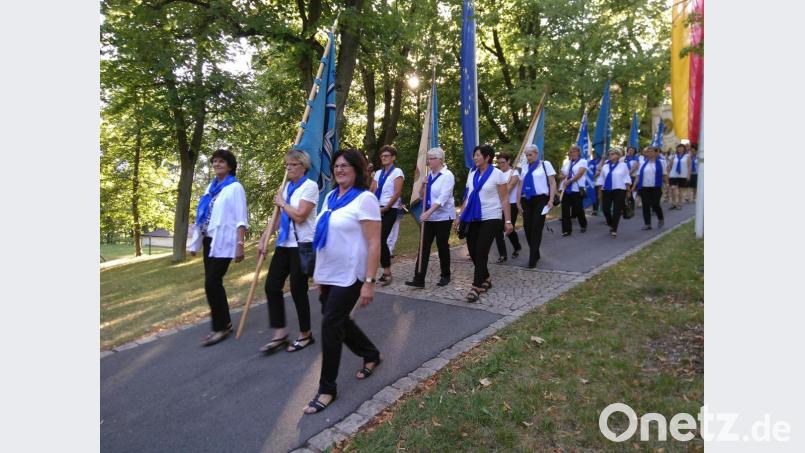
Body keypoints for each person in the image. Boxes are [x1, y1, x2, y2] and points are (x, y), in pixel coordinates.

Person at [304, 148, 382, 415]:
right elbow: (324, 238)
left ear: (357, 169)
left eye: (345, 165)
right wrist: (319, 274)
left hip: (351, 274)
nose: (339, 169)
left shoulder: (365, 199)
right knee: (339, 321)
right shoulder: (329, 199)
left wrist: (369, 281)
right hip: (329, 272)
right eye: (336, 165)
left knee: (330, 324)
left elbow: (374, 243)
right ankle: (371, 354)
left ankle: (327, 389)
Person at [257, 150, 318, 354]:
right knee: (272, 286)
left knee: (297, 290)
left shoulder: (310, 186)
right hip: (284, 244)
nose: (288, 168)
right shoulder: (284, 187)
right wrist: (265, 238)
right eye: (287, 165)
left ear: (303, 166)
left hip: (302, 245)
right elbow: (276, 218)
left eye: (292, 165)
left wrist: (282, 203)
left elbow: (300, 216)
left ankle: (305, 334)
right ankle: (280, 333)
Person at [188, 149, 248, 347]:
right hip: (209, 241)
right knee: (213, 283)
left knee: (212, 283)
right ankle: (224, 323)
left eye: (221, 161)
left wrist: (240, 245)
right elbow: (203, 215)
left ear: (230, 165)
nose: (217, 164)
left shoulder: (234, 187)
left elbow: (241, 218)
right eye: (214, 161)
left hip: (224, 241)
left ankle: (221, 327)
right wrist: (195, 242)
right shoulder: (212, 187)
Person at [455, 144, 513, 303]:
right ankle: (486, 277)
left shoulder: (497, 174)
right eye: (474, 155)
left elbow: (505, 198)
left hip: (492, 216)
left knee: (481, 251)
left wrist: (507, 221)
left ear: (487, 157)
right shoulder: (471, 173)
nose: (475, 158)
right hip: (473, 217)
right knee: (473, 251)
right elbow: (468, 196)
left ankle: (476, 287)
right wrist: (460, 216)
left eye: (478, 155)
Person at [405, 147, 455, 288]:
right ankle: (419, 278)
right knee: (423, 246)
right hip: (429, 216)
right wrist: (423, 184)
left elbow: (443, 198)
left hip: (443, 217)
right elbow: (421, 195)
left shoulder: (447, 175)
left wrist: (428, 212)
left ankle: (445, 275)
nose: (429, 161)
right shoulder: (430, 175)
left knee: (442, 245)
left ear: (440, 160)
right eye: (428, 159)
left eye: (431, 159)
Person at [516, 144, 557, 268]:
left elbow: (552, 182)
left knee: (536, 227)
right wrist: (518, 203)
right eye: (526, 155)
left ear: (536, 153)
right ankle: (536, 252)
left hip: (541, 199)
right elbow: (520, 186)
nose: (528, 157)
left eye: (530, 154)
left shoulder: (545, 164)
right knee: (527, 228)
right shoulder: (524, 167)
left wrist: (551, 200)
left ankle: (532, 258)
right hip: (526, 200)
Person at [370, 145, 404, 285]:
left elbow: (397, 193)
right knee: (375, 241)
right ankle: (381, 271)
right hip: (376, 208)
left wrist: (386, 208)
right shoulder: (378, 173)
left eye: (387, 156)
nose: (384, 158)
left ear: (393, 157)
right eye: (382, 156)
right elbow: (372, 189)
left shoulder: (397, 172)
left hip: (389, 209)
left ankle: (387, 271)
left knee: (381, 238)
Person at [492, 152, 522, 263]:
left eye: (503, 162)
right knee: (497, 230)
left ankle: (517, 246)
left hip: (511, 204)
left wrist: (498, 191)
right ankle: (503, 255)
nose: (501, 165)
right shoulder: (497, 173)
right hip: (498, 205)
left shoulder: (514, 173)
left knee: (508, 228)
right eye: (499, 163)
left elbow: (509, 188)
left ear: (508, 161)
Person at [597, 148, 632, 238]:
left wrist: (628, 191)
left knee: (617, 210)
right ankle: (611, 223)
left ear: (618, 155)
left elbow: (626, 178)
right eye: (609, 154)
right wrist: (600, 191)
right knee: (605, 209)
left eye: (613, 154)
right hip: (607, 190)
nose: (610, 155)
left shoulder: (623, 165)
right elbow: (601, 179)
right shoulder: (605, 166)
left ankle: (614, 229)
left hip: (619, 190)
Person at [633, 146, 668, 230]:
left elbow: (665, 174)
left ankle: (660, 218)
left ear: (656, 153)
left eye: (651, 151)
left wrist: (667, 184)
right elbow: (638, 175)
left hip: (656, 187)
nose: (649, 153)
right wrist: (634, 186)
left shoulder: (661, 162)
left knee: (655, 203)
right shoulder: (643, 163)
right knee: (645, 205)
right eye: (648, 152)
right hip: (644, 187)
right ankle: (647, 224)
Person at [559, 145, 589, 236]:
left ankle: (583, 224)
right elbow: (560, 175)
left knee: (578, 209)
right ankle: (567, 230)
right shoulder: (567, 163)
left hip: (576, 189)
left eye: (574, 151)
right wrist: (563, 177)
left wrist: (570, 180)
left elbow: (580, 174)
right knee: (565, 210)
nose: (572, 153)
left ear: (578, 152)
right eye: (570, 151)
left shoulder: (583, 161)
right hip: (565, 189)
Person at [667, 143, 691, 210]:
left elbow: (689, 166)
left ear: (684, 149)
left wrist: (688, 175)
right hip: (673, 174)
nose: (680, 149)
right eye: (678, 148)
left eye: (681, 148)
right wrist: (668, 173)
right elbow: (670, 165)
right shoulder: (674, 156)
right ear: (677, 149)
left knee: (681, 190)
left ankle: (680, 203)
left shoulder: (687, 156)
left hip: (683, 175)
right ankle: (674, 203)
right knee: (673, 189)